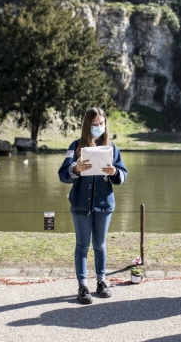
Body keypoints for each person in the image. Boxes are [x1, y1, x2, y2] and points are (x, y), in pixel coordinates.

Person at [58, 107, 127, 305]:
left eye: (101, 123)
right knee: (82, 246)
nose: (98, 127)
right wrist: (75, 168)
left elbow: (122, 176)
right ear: (87, 125)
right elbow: (63, 174)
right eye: (94, 124)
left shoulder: (111, 148)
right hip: (80, 204)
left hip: (104, 205)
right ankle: (82, 285)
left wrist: (114, 172)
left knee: (100, 245)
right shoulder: (75, 146)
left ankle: (101, 281)